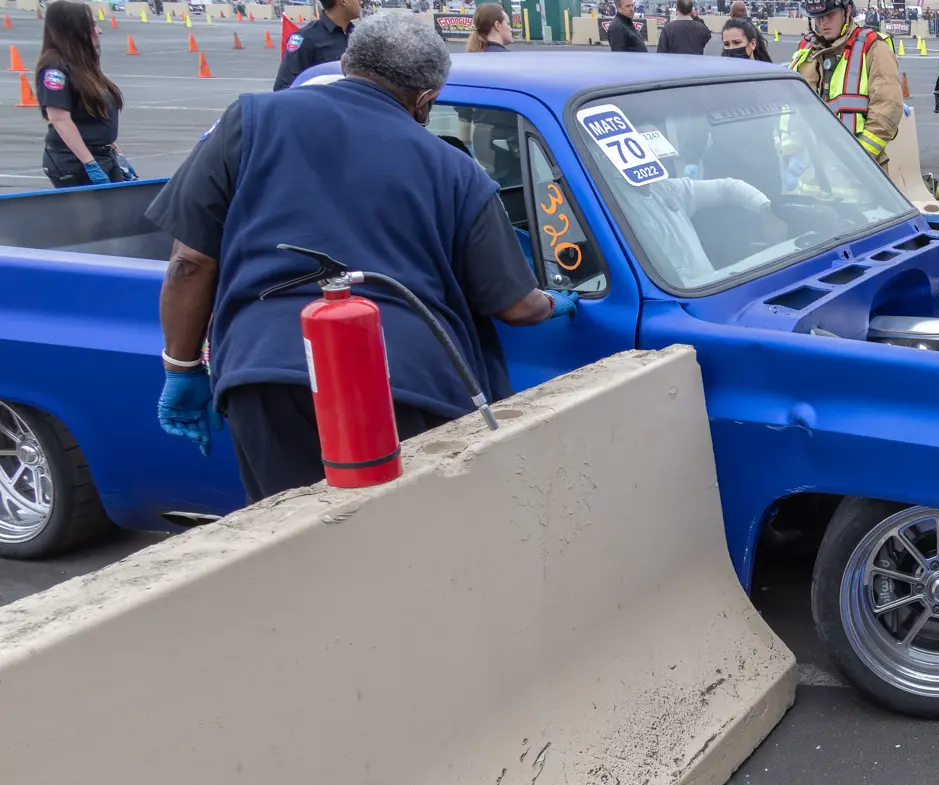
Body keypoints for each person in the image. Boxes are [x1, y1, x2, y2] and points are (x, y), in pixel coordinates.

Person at [147, 14, 579, 502]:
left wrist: (181, 368)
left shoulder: (248, 121)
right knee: (408, 543)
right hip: (404, 384)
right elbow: (514, 306)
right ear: (424, 99)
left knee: (296, 539)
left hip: (263, 375)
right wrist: (553, 302)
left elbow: (189, 263)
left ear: (346, 62)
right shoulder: (455, 170)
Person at [788, 0, 900, 168]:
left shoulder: (872, 46)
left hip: (859, 177)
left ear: (847, 11)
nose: (823, 22)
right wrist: (790, 152)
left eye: (830, 15)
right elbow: (791, 108)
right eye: (818, 17)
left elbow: (887, 109)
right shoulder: (806, 49)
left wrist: (859, 157)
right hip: (809, 176)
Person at [35, 1, 135, 188]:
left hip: (101, 156)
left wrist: (119, 157)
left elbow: (96, 120)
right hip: (74, 162)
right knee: (92, 217)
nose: (99, 31)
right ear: (75, 30)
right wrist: (89, 164)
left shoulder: (83, 66)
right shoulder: (55, 69)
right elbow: (59, 119)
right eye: (93, 25)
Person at [274, 0, 360, 90]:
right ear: (343, 1)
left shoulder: (360, 35)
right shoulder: (306, 38)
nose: (359, 2)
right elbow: (283, 87)